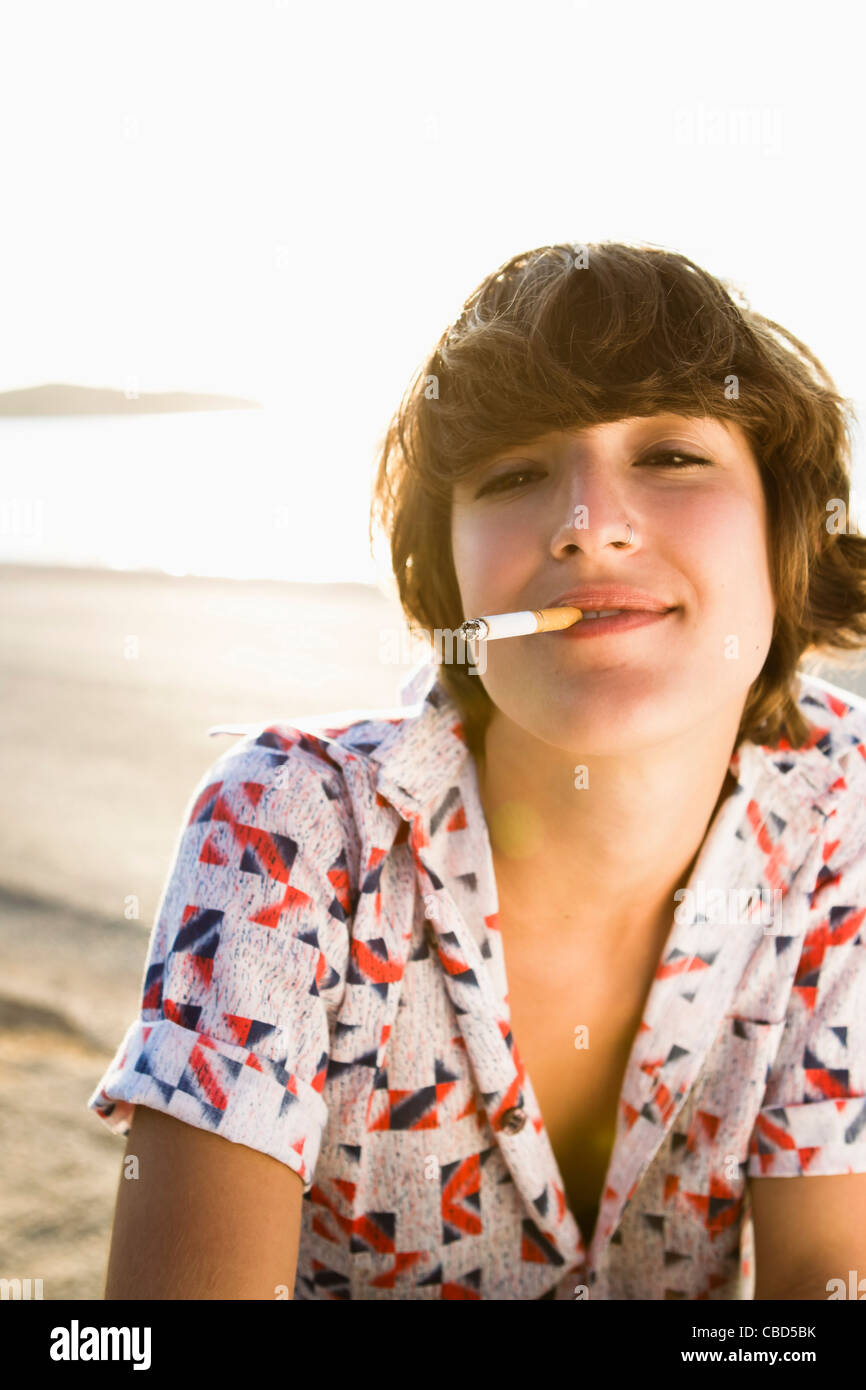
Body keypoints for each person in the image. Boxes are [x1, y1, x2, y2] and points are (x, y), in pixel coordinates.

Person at [89, 241, 866, 1299]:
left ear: (784, 530)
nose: (589, 527)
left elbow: (825, 1276)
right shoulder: (292, 822)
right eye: (511, 474)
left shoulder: (842, 804)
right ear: (453, 588)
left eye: (672, 456)